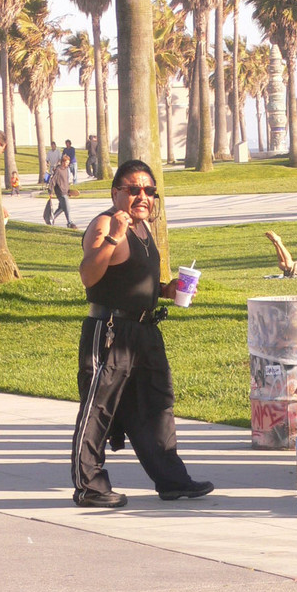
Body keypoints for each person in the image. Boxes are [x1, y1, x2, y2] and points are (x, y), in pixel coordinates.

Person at [71, 158, 214, 508]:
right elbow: (89, 275)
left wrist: (168, 290)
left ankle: (172, 480)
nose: (143, 196)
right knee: (98, 410)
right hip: (110, 330)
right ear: (115, 192)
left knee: (155, 408)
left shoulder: (143, 229)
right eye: (133, 189)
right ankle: (89, 486)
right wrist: (113, 240)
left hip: (145, 332)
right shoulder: (106, 224)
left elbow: (135, 278)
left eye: (149, 190)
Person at [47, 154, 78, 229]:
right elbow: (53, 181)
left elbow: (66, 182)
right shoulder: (58, 170)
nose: (67, 164)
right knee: (67, 207)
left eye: (68, 162)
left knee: (62, 208)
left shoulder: (67, 170)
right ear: (62, 162)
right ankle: (69, 223)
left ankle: (51, 219)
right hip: (60, 192)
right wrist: (50, 192)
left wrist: (68, 191)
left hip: (65, 191)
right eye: (66, 162)